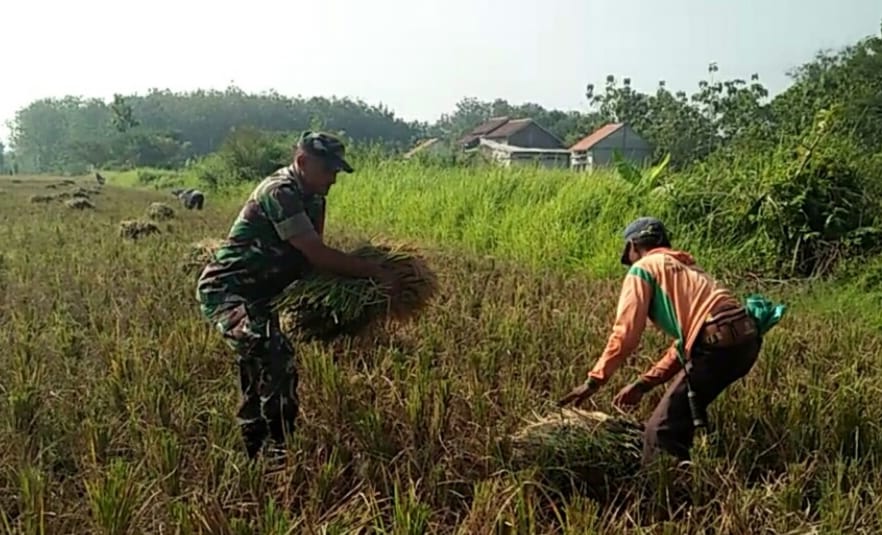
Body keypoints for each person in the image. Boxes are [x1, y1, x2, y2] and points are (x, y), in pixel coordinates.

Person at [196, 131, 401, 461]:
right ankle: (277, 449)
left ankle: (258, 446)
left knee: (258, 365)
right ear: (303, 162)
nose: (333, 179)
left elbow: (310, 262)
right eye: (328, 170)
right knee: (275, 355)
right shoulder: (280, 192)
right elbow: (317, 253)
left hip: (263, 296)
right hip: (229, 291)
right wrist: (375, 272)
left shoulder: (315, 198)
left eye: (337, 172)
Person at [558, 217, 783, 465]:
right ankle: (695, 463)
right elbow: (686, 345)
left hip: (718, 343)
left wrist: (594, 381)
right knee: (684, 410)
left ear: (633, 246)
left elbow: (625, 334)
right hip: (746, 343)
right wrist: (643, 384)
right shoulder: (687, 269)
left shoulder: (643, 268)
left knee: (660, 431)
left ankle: (663, 491)